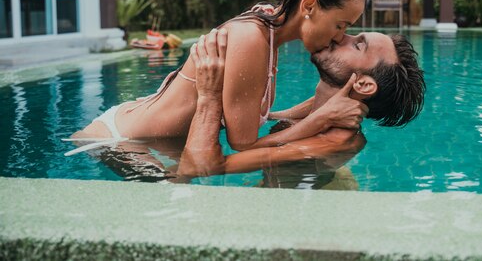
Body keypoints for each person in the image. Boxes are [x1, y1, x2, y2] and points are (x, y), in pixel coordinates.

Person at [66, 0, 368, 156]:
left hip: (142, 133)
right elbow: (244, 144)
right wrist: (323, 118)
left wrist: (328, 106)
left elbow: (255, 117)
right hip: (123, 142)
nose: (340, 36)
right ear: (310, 6)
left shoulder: (267, 26)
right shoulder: (252, 40)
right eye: (340, 25)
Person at [92, 28, 425, 182]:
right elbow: (269, 118)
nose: (342, 36)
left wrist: (209, 97)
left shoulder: (330, 139)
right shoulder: (324, 108)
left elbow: (200, 169)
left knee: (164, 185)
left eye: (358, 44)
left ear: (364, 84)